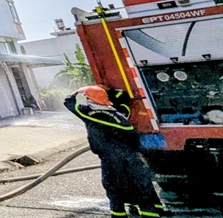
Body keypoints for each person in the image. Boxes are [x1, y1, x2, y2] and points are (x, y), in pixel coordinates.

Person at [64, 86, 164, 218]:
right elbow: (125, 109)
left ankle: (119, 215)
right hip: (131, 155)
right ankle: (153, 212)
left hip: (111, 158)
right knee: (140, 185)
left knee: (114, 188)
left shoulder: (90, 114)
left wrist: (77, 91)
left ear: (90, 100)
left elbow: (68, 103)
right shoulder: (119, 115)